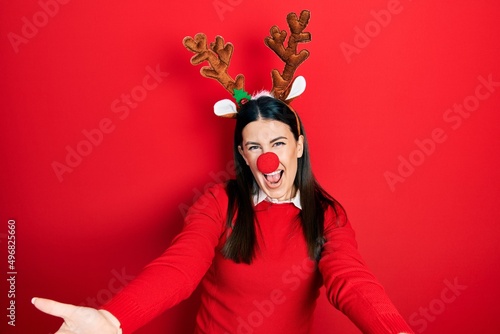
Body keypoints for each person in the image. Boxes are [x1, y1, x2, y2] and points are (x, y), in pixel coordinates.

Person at [33, 94, 414, 333]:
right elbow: (180, 268)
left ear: (298, 147)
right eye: (254, 146)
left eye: (278, 142)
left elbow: (352, 281)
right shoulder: (219, 203)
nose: (267, 157)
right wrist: (112, 320)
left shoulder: (327, 215)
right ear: (244, 156)